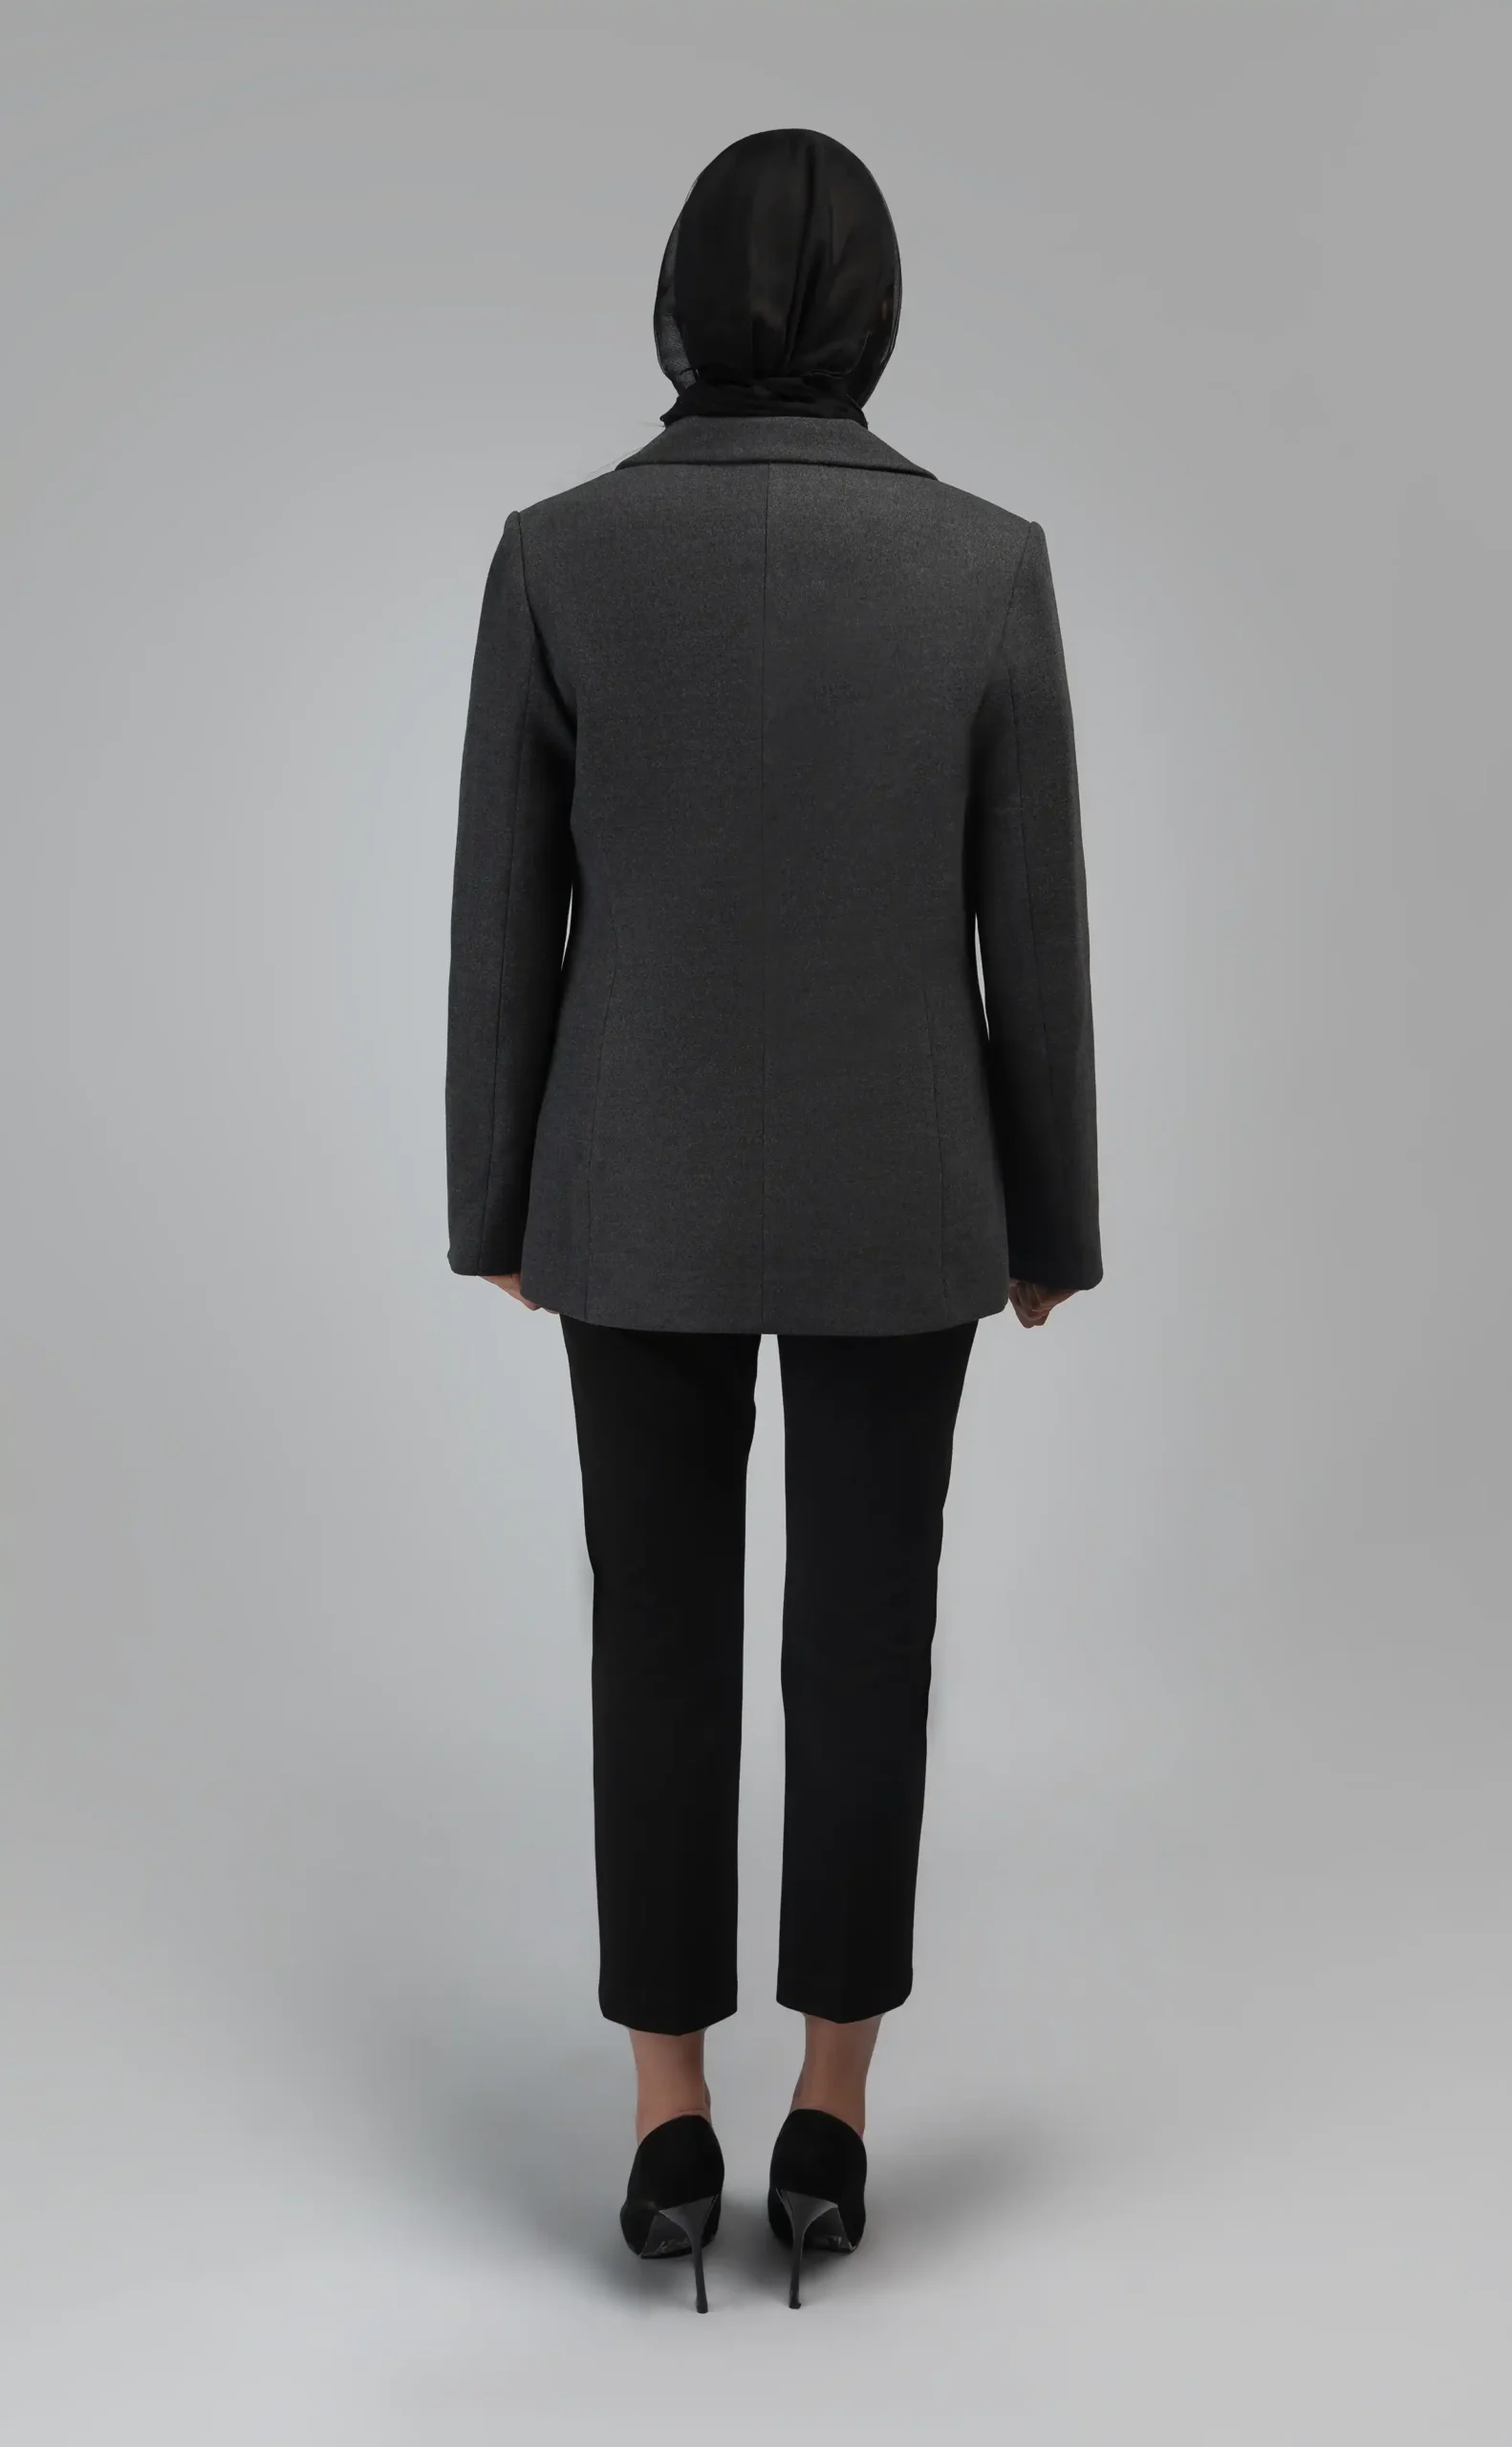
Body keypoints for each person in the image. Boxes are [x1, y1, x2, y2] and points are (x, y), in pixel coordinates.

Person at [444, 127, 1101, 2311]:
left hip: (624, 1181)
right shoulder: (984, 567)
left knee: (650, 1627)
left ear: (677, 299)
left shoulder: (557, 556)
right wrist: (1047, 1211)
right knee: (862, 1636)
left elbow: (501, 919)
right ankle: (828, 2110)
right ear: (872, 315)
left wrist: (496, 1192)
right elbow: (1030, 928)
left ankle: (665, 2119)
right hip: (902, 1185)